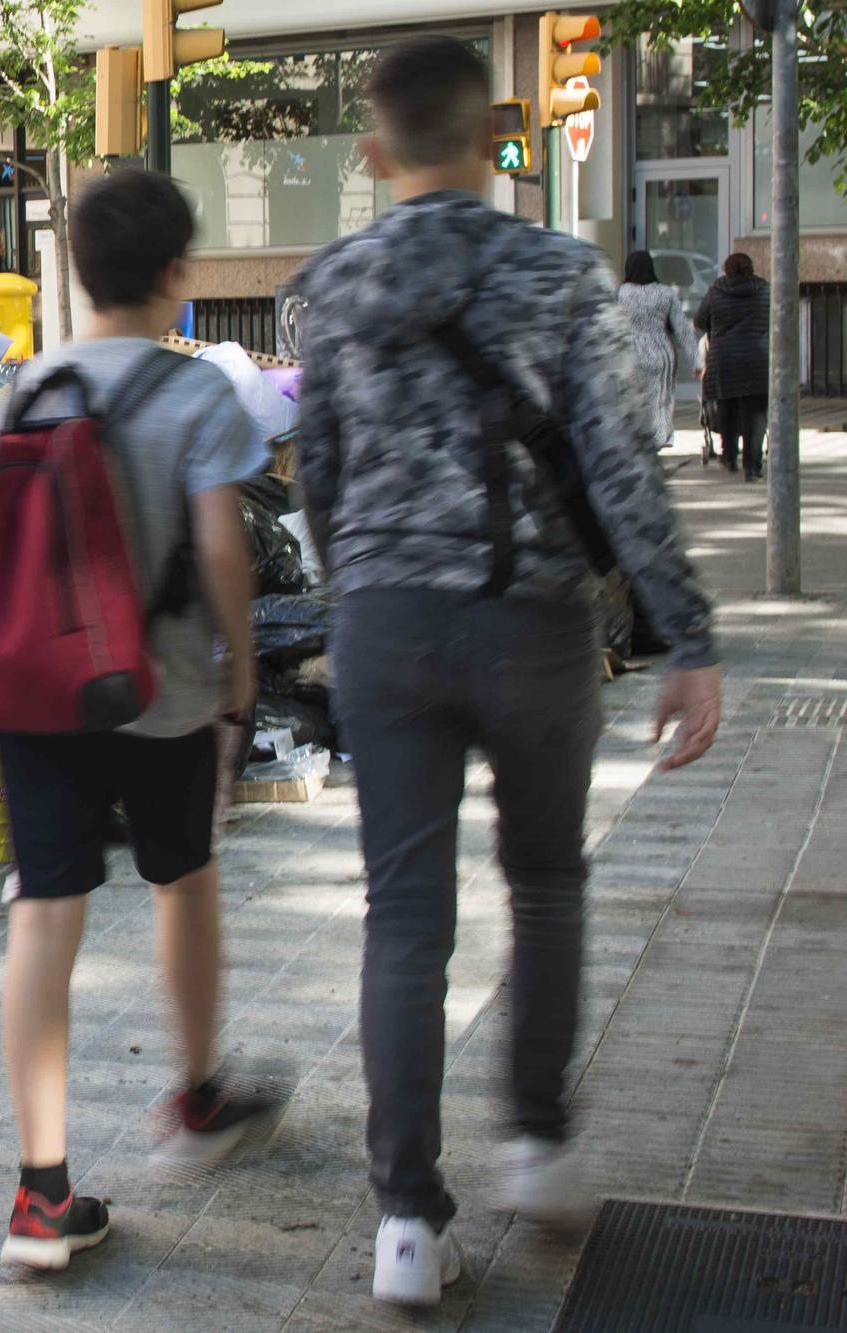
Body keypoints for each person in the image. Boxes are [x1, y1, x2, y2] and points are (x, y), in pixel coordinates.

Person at [293, 36, 723, 1308]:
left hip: (382, 622)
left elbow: (315, 471)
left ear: (373, 153)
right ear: (494, 140)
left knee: (403, 915)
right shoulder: (559, 273)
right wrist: (685, 635)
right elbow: (618, 467)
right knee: (542, 885)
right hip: (531, 624)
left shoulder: (330, 284)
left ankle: (407, 1224)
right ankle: (536, 1146)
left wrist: (354, 585)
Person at [0, 168, 282, 1271]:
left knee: (42, 915)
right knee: (183, 879)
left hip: (34, 694)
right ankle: (197, 1094)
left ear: (74, 271)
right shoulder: (195, 393)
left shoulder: (16, 388)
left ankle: (40, 1196)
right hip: (157, 693)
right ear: (173, 278)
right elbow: (217, 551)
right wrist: (237, 673)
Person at [695, 251, 771, 481]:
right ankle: (753, 465)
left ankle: (729, 458)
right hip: (756, 359)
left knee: (726, 407)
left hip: (724, 359)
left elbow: (699, 320)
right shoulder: (765, 290)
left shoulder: (716, 291)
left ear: (726, 270)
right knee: (755, 414)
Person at [617, 250, 693, 448]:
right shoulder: (665, 293)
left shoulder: (620, 294)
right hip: (661, 354)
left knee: (631, 399)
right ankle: (658, 438)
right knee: (661, 399)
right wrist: (698, 360)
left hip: (629, 354)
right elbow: (683, 329)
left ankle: (636, 440)